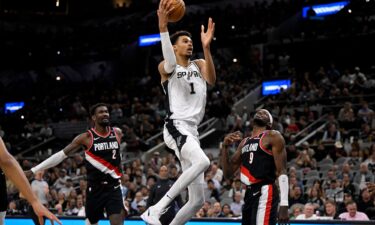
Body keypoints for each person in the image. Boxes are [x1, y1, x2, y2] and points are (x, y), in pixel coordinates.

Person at [141, 0, 216, 224]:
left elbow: (211, 80)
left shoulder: (200, 64)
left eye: (191, 41)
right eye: (185, 41)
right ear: (174, 47)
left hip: (192, 131)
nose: (189, 44)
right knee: (203, 162)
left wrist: (207, 47)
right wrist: (163, 29)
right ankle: (157, 208)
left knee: (197, 201)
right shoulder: (166, 68)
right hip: (176, 126)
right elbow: (170, 65)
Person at [25, 103, 126, 225]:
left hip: (113, 188)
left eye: (106, 111)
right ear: (93, 117)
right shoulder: (86, 138)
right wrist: (34, 170)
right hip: (94, 189)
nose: (105, 114)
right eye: (101, 112)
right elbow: (60, 155)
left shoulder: (117, 133)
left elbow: (117, 157)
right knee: (91, 222)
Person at [220, 109, 289, 225]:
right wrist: (225, 147)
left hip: (265, 190)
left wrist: (284, 204)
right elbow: (227, 174)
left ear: (269, 124)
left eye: (267, 113)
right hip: (249, 194)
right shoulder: (244, 142)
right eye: (260, 111)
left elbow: (282, 171)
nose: (262, 111)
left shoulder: (273, 136)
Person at [0, 137, 61, 225]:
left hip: (42, 205)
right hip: (33, 206)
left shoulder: (45, 183)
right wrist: (33, 200)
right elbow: (21, 194)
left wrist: (46, 195)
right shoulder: (31, 182)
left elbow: (48, 198)